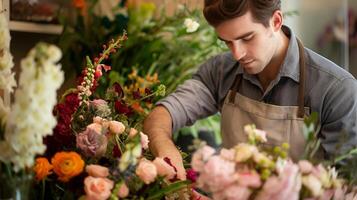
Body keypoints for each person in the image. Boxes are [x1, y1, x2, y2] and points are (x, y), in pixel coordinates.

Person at [143, 0, 357, 180]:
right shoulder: (220, 71)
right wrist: (166, 149)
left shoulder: (337, 90)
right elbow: (162, 115)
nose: (237, 54)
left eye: (247, 38)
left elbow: (343, 185)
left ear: (276, 21)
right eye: (227, 42)